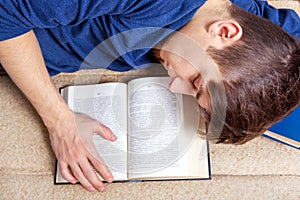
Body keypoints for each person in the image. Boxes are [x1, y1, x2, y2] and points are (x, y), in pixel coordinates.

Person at [0, 0, 299, 192]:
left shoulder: (249, 19)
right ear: (223, 32)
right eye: (195, 81)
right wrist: (60, 121)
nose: (173, 88)